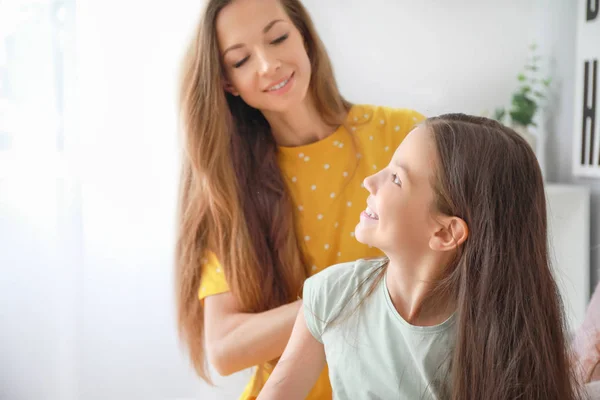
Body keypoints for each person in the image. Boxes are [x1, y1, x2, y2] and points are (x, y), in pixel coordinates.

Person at [174, 0, 424, 398]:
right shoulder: (230, 188)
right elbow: (223, 348)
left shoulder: (404, 135)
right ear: (227, 83)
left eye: (278, 37)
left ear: (303, 36)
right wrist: (345, 294)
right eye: (240, 61)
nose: (268, 64)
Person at [257, 114, 584, 400]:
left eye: (396, 179)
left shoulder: (501, 329)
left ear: (445, 233)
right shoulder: (331, 295)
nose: (370, 182)